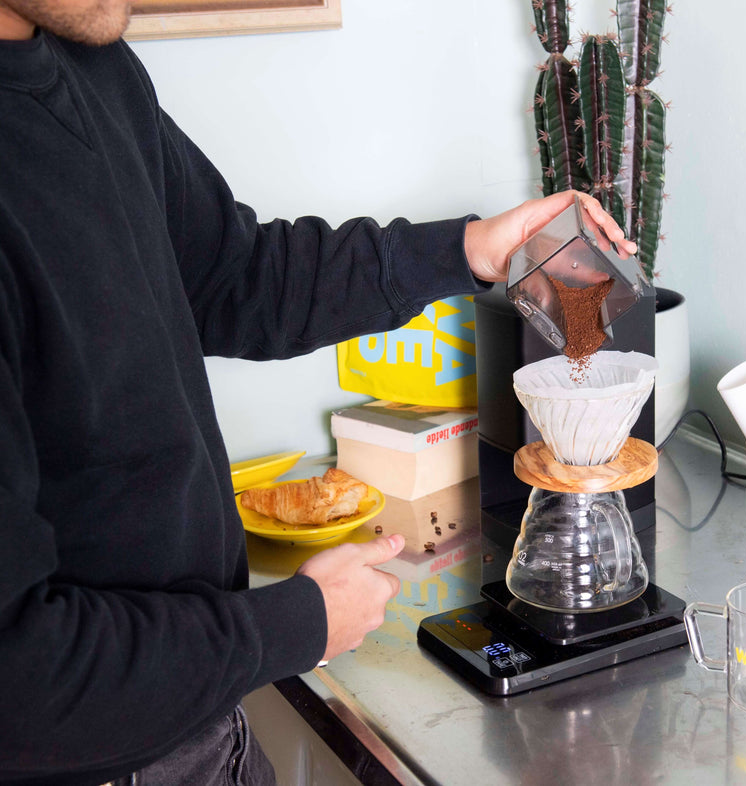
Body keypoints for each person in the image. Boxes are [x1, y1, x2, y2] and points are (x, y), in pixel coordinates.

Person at [0, 1, 637, 784]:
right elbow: (18, 683)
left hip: (201, 715)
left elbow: (230, 277)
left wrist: (465, 250)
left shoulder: (87, 61)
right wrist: (291, 624)